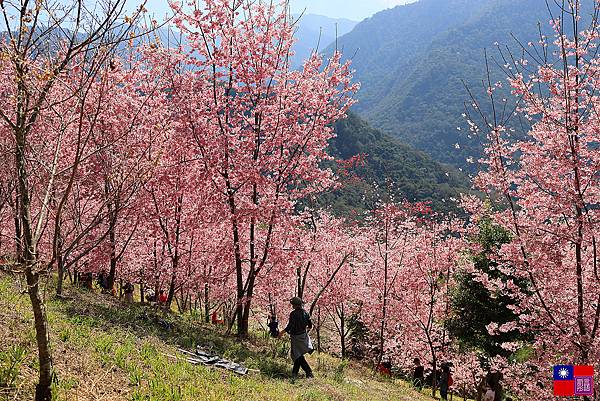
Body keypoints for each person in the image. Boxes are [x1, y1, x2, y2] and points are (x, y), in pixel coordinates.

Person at [278, 297, 314, 379]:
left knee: (297, 356)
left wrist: (281, 333)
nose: (292, 306)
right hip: (304, 336)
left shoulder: (293, 314)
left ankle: (308, 372)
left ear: (295, 305)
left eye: (292, 304)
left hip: (296, 337)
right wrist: (304, 331)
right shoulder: (306, 313)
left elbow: (290, 326)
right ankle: (295, 373)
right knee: (298, 355)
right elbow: (310, 326)